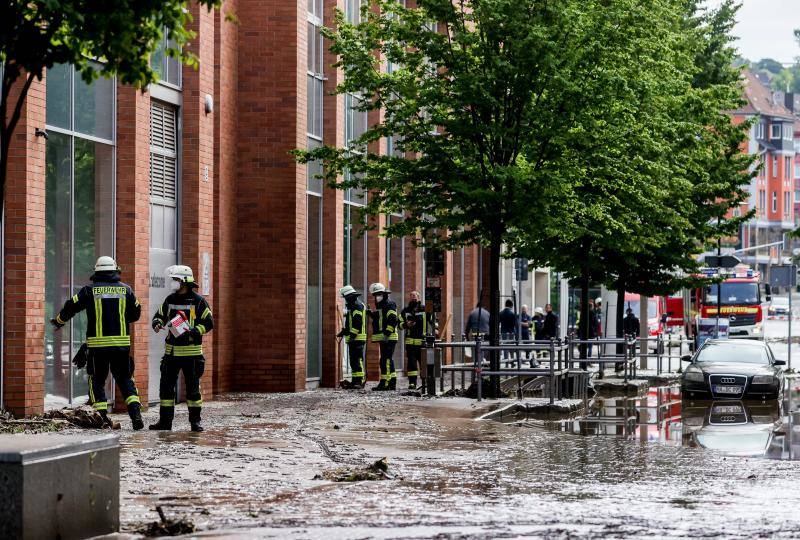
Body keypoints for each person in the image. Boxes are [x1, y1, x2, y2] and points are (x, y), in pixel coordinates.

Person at [50, 256, 144, 430]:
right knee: (125, 380)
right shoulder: (126, 290)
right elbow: (136, 312)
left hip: (98, 347)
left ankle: (101, 419)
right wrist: (122, 317)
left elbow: (72, 305)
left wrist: (59, 321)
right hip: (121, 346)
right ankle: (136, 415)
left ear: (97, 272)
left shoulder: (89, 290)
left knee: (97, 381)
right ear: (115, 270)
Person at [150, 265, 214, 432]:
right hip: (171, 353)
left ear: (185, 281)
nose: (174, 283)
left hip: (192, 354)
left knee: (193, 391)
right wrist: (157, 323)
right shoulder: (170, 300)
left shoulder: (199, 301)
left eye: (176, 280)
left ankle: (195, 422)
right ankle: (165, 422)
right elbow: (159, 316)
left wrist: (194, 331)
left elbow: (209, 323)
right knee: (165, 389)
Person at [369, 283, 398, 391]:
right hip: (385, 337)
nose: (377, 297)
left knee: (385, 360)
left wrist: (386, 333)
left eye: (379, 294)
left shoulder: (389, 304)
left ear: (384, 294)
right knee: (387, 359)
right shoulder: (382, 306)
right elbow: (381, 318)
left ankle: (385, 383)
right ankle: (391, 382)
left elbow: (393, 320)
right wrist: (371, 314)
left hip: (389, 337)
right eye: (375, 295)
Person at [337, 285, 367, 389]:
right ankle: (355, 381)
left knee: (357, 360)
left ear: (349, 296)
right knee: (353, 360)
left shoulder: (357, 306)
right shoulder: (353, 306)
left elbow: (357, 323)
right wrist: (344, 332)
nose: (345, 300)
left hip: (357, 338)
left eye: (345, 297)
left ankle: (360, 380)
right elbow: (351, 323)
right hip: (354, 338)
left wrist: (352, 335)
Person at [400, 291, 431, 390]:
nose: (413, 297)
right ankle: (412, 383)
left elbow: (433, 320)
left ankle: (424, 382)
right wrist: (406, 325)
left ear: (419, 297)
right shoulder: (405, 310)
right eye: (412, 296)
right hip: (410, 343)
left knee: (424, 364)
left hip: (422, 342)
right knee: (411, 364)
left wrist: (436, 328)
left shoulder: (425, 308)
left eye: (415, 296)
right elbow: (399, 324)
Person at [620, 307, 641, 373]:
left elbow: (622, 328)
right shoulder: (636, 319)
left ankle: (626, 361)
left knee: (625, 348)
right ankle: (632, 361)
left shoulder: (624, 319)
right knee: (633, 349)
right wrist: (637, 334)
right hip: (633, 335)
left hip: (626, 336)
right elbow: (638, 328)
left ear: (627, 312)